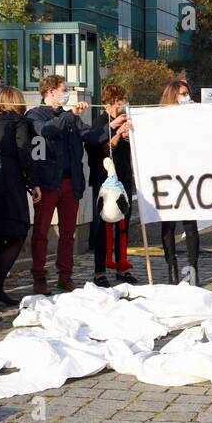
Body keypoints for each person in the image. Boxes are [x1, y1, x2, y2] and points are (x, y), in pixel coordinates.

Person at [26, 75, 116, 294]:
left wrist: (113, 127)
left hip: (71, 182)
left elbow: (90, 136)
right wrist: (72, 114)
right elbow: (46, 130)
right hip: (47, 183)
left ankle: (65, 275)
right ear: (50, 92)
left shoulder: (71, 117)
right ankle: (39, 275)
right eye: (63, 89)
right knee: (41, 232)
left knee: (68, 233)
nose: (67, 93)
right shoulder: (35, 114)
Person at [0, 87, 42, 306]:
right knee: (18, 233)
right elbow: (24, 152)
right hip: (11, 182)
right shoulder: (18, 122)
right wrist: (34, 182)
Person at [87, 84, 135, 286]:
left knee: (123, 223)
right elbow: (102, 149)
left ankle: (121, 266)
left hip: (124, 178)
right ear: (111, 101)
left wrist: (128, 136)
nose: (121, 104)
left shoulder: (125, 120)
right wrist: (117, 133)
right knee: (103, 225)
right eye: (119, 101)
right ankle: (100, 270)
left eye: (123, 100)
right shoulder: (100, 122)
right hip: (104, 180)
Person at [156, 80, 201, 284]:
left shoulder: (193, 116)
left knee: (190, 224)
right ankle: (172, 268)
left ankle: (192, 269)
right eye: (182, 93)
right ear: (173, 95)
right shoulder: (159, 117)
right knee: (168, 225)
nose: (186, 97)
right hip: (167, 175)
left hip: (189, 175)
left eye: (187, 93)